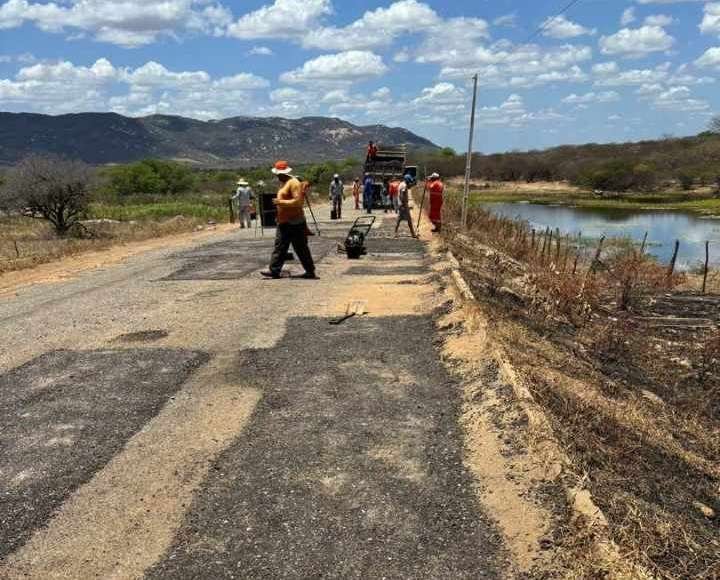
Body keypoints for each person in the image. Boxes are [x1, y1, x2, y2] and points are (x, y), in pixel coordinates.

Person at [261, 160, 317, 280]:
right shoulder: (285, 183)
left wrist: (280, 202)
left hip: (294, 221)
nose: (276, 176)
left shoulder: (293, 183)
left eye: (278, 174)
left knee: (300, 247)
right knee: (280, 246)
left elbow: (298, 202)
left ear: (282, 173)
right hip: (285, 221)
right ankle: (274, 270)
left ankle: (309, 271)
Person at [395, 174, 417, 238]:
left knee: (399, 219)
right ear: (407, 180)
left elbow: (409, 186)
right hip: (403, 204)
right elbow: (402, 195)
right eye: (409, 181)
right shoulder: (404, 186)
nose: (409, 182)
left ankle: (395, 232)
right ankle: (413, 234)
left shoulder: (402, 184)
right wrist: (404, 205)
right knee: (409, 219)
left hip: (401, 204)